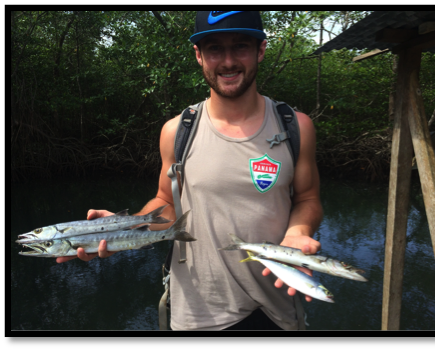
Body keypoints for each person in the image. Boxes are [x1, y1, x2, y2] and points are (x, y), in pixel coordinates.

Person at [57, 11, 323, 330]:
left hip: (277, 307)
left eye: (240, 46)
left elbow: (308, 199)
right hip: (198, 313)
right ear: (199, 55)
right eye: (214, 49)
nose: (227, 61)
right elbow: (168, 205)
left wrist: (299, 231)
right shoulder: (177, 131)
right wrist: (120, 228)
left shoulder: (296, 126)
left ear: (260, 50)